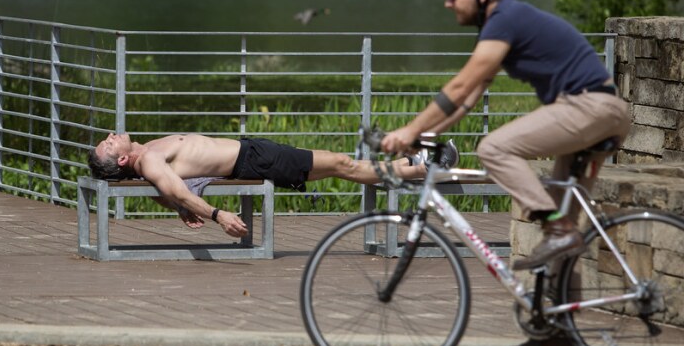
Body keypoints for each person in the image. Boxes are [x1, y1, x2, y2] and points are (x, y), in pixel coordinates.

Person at [379, 0, 631, 346]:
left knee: (494, 148)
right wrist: (423, 136)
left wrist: (409, 128)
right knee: (562, 225)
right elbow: (468, 100)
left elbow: (459, 85)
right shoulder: (500, 25)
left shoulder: (506, 19)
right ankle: (560, 329)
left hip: (590, 107)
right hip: (598, 111)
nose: (447, 2)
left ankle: (559, 230)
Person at [87, 132, 458, 237]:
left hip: (252, 153)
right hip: (254, 159)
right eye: (108, 144)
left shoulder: (148, 153)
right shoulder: (149, 160)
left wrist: (183, 206)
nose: (110, 135)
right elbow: (173, 190)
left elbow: (170, 193)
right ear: (121, 159)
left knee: (341, 167)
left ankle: (416, 166)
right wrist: (218, 215)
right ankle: (423, 165)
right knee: (342, 164)